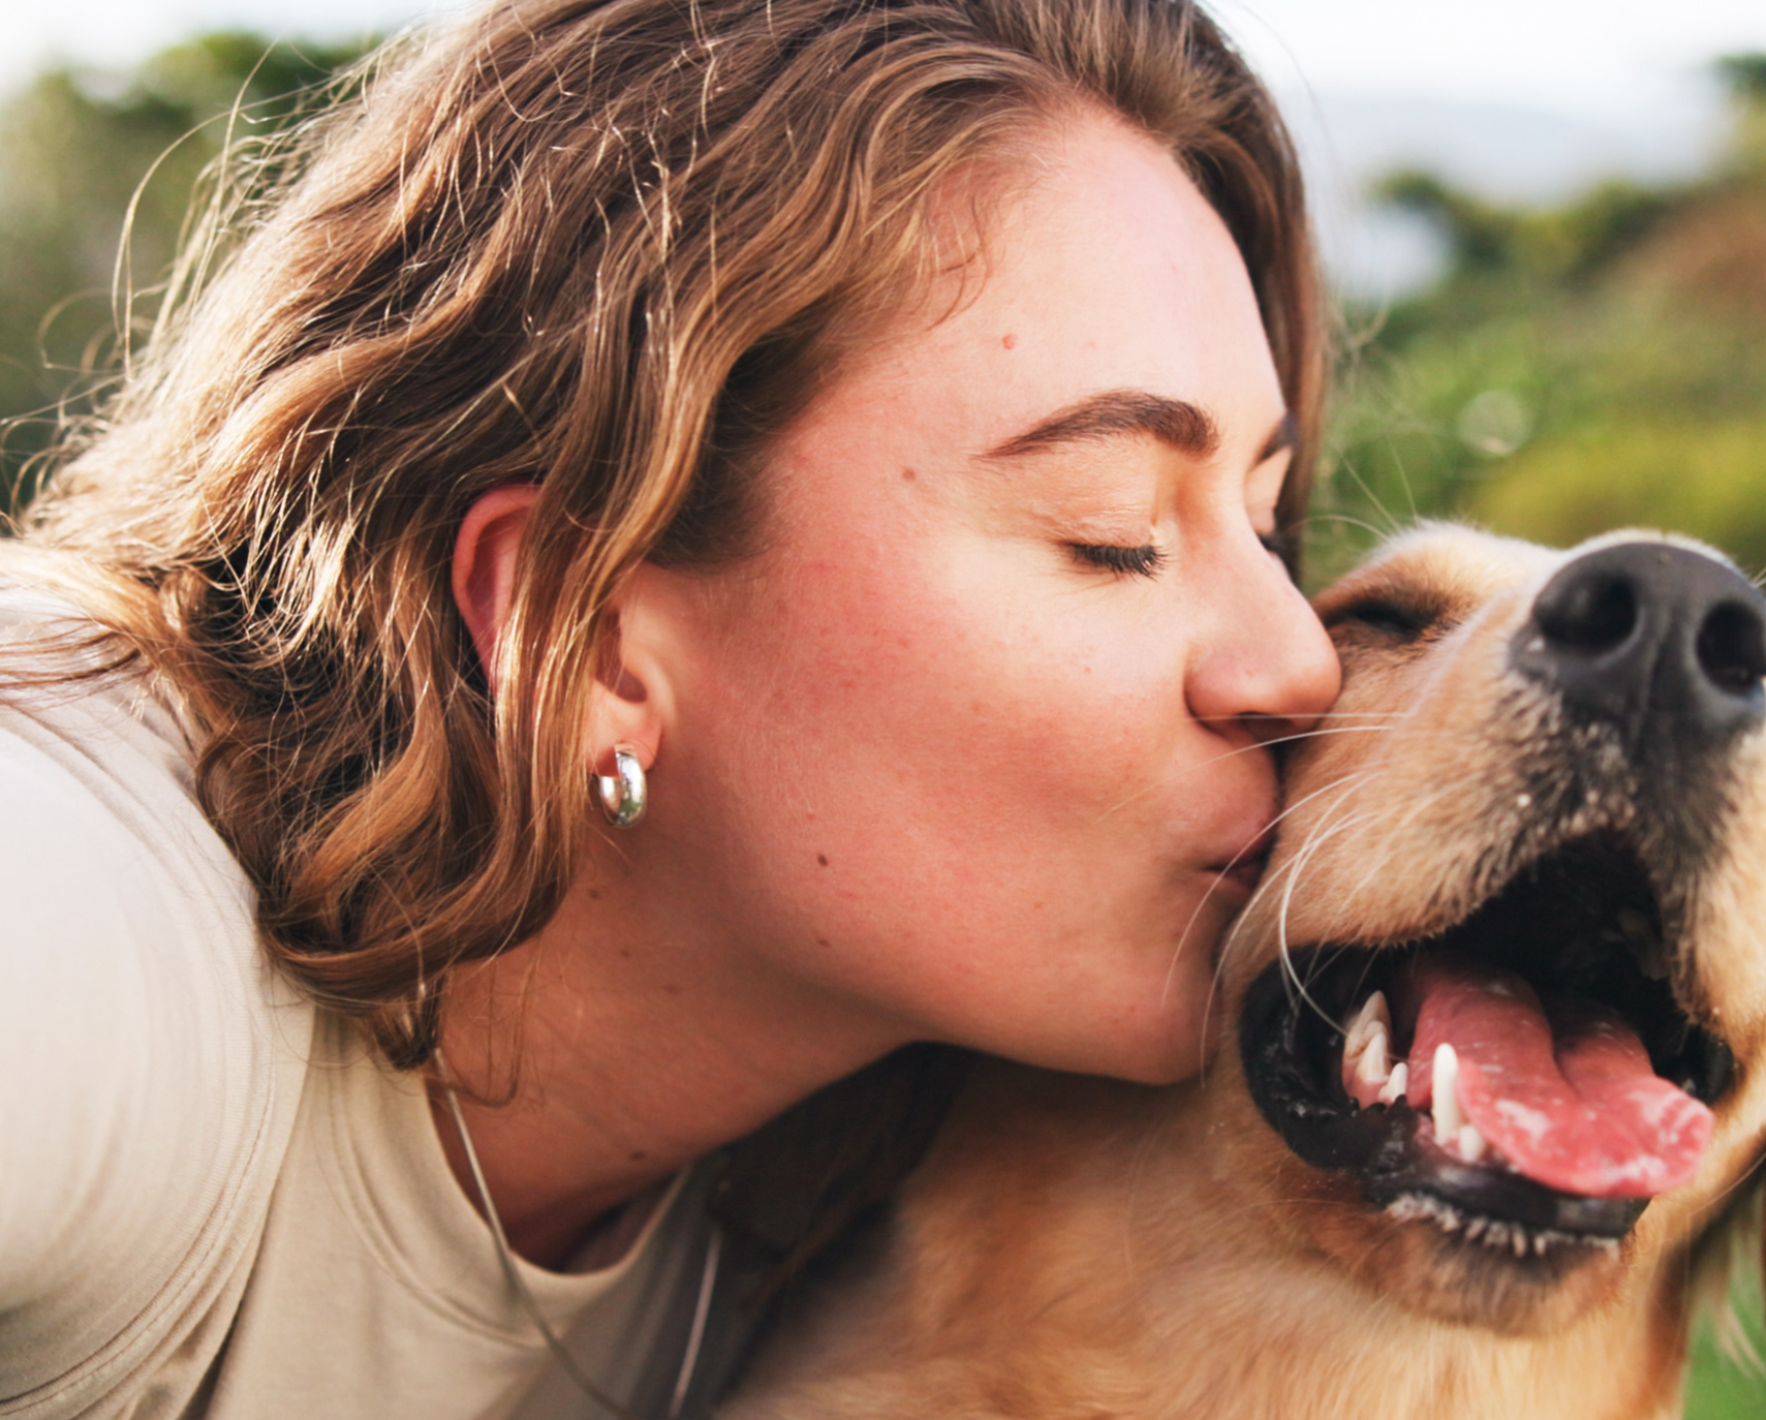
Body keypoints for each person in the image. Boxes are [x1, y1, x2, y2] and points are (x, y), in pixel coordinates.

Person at [0, 0, 1340, 1414]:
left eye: (1265, 528)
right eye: (1112, 531)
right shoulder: (97, 927)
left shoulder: (877, 1175)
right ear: (584, 636)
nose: (1299, 664)